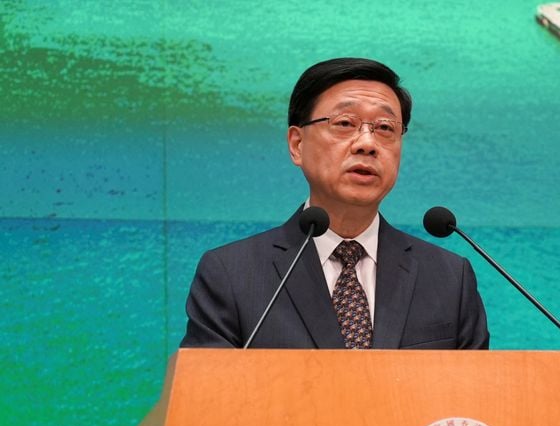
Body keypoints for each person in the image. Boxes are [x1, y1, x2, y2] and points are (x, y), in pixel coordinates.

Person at [180, 57, 489, 350]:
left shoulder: (450, 278)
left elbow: (475, 388)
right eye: (344, 123)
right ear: (297, 144)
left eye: (385, 128)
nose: (367, 143)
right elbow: (208, 387)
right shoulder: (232, 274)